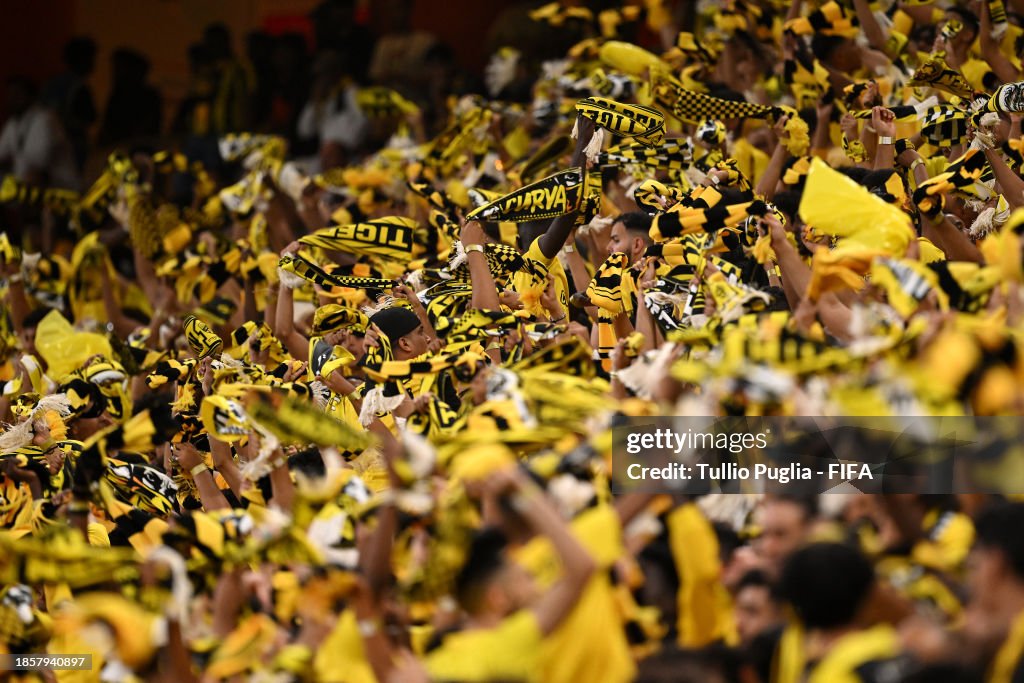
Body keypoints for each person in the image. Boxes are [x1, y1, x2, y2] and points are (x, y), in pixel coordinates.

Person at [0, 76, 79, 190]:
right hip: (31, 186)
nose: (12, 99)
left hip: (59, 188)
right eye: (10, 94)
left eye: (17, 94)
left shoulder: (45, 119)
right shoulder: (14, 122)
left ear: (31, 96)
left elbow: (36, 168)